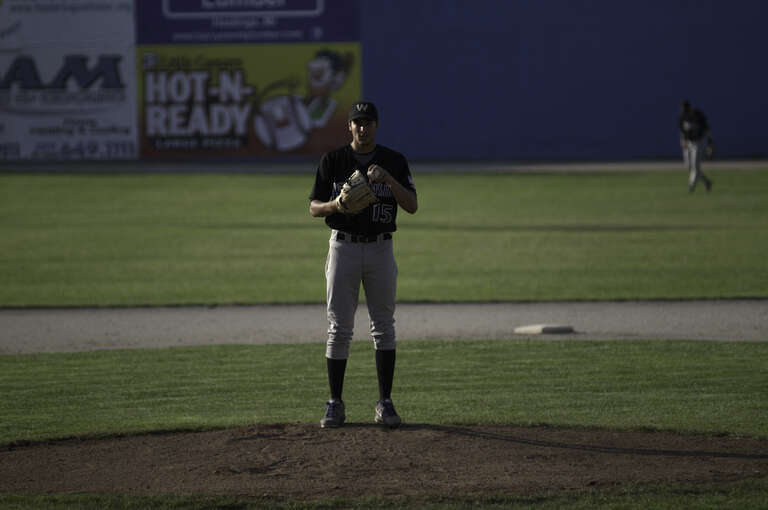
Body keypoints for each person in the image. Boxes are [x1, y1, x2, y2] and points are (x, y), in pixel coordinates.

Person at [309, 101, 418, 429]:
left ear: (376, 126)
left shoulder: (394, 161)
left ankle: (385, 403)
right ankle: (335, 403)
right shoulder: (333, 160)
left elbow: (412, 205)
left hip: (381, 249)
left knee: (383, 327)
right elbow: (313, 208)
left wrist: (387, 179)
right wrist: (335, 204)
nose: (362, 127)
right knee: (338, 329)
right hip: (343, 246)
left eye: (368, 122)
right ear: (350, 127)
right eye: (357, 122)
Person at [678, 100, 714, 192]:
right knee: (689, 166)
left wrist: (710, 143)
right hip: (689, 142)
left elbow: (706, 128)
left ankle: (691, 186)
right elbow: (682, 130)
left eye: (686, 109)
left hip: (699, 142)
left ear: (690, 107)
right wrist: (682, 140)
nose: (685, 111)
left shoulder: (698, 115)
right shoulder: (683, 116)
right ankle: (707, 182)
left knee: (695, 166)